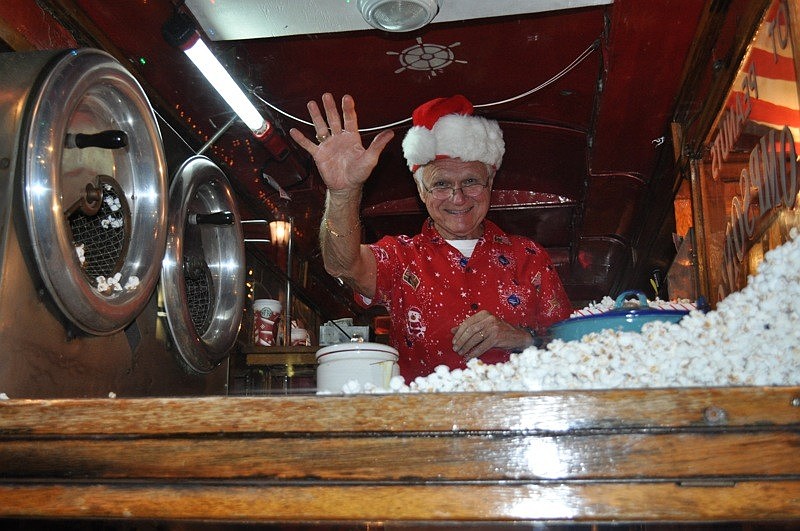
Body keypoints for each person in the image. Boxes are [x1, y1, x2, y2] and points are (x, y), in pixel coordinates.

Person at [289, 93, 571, 381]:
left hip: (519, 421)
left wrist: (523, 338)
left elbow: (575, 350)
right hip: (428, 424)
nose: (458, 197)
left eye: (471, 181)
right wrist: (344, 193)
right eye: (441, 184)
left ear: (490, 183)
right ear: (421, 190)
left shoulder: (530, 258)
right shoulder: (400, 257)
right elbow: (342, 265)